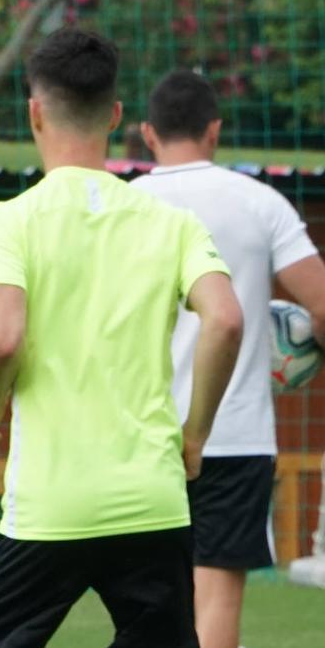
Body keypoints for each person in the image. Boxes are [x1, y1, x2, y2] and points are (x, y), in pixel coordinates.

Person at [0, 29, 244, 648]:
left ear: (34, 112)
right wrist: (194, 436)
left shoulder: (6, 221)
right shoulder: (173, 224)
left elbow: (1, 340)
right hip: (153, 500)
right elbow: (225, 318)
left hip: (50, 505)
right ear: (116, 115)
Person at [131, 69, 325, 647]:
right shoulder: (260, 202)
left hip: (140, 434)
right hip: (234, 438)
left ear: (147, 133)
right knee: (214, 602)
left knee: (144, 602)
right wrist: (296, 345)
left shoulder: (125, 205)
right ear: (214, 130)